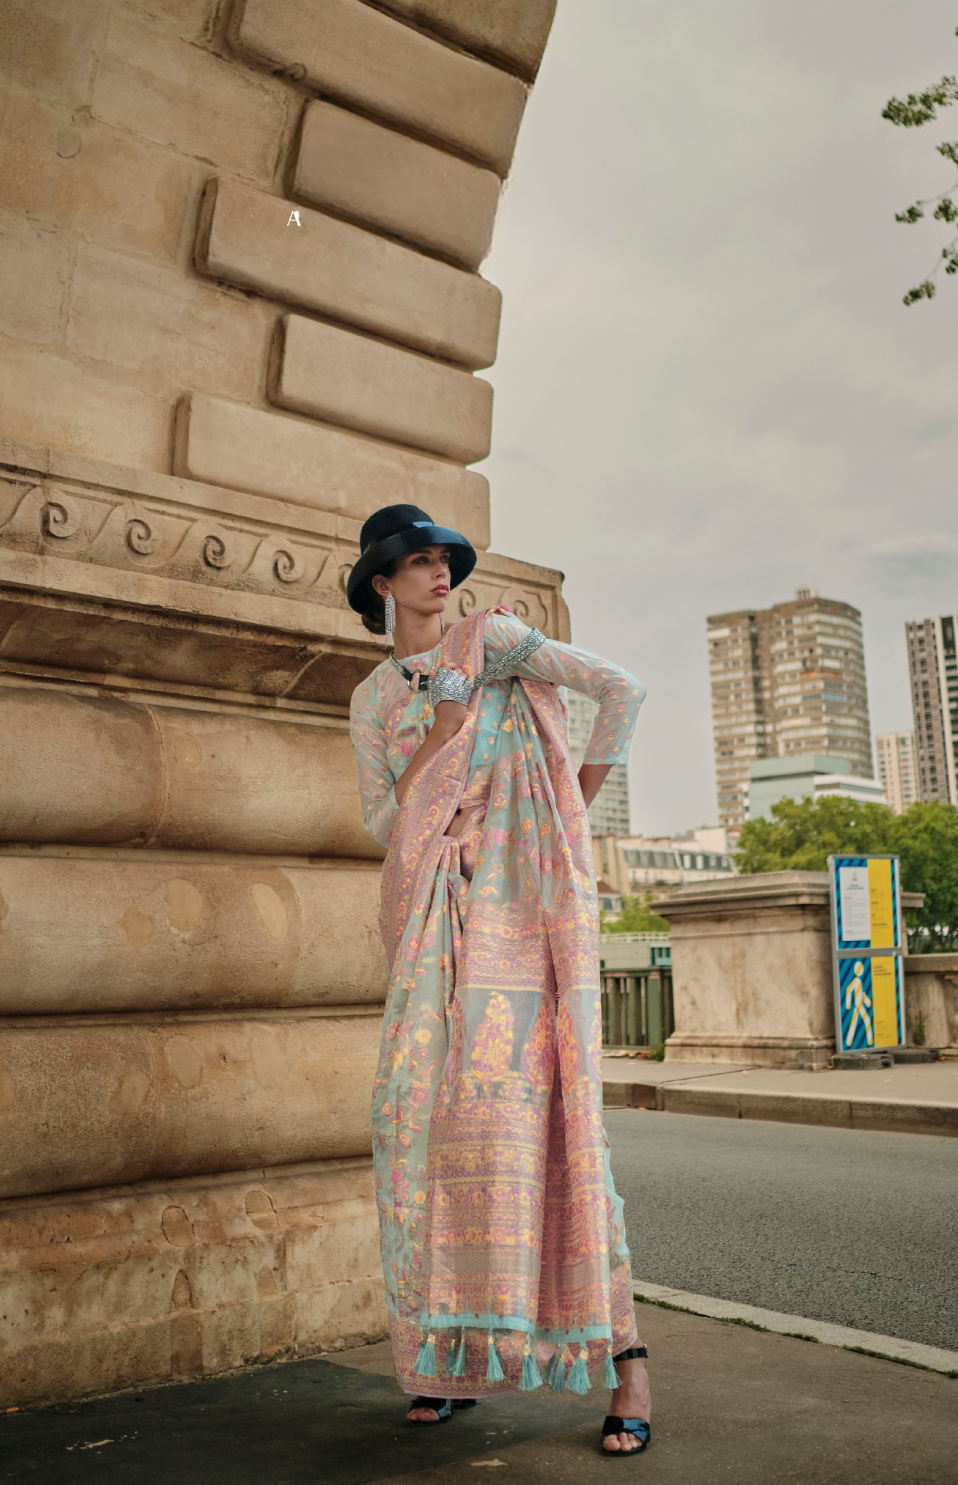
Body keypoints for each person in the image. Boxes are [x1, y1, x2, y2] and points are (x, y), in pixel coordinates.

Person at [347, 505, 651, 1457]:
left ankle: (626, 1364)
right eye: (417, 563)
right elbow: (385, 818)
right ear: (379, 585)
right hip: (433, 919)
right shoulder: (372, 697)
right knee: (420, 1130)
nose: (439, 576)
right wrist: (442, 724)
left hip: (520, 921)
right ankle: (450, 1361)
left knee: (548, 1131)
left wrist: (562, 810)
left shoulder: (501, 641)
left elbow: (620, 689)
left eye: (444, 560)